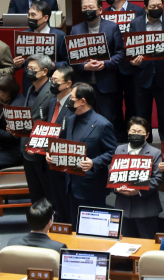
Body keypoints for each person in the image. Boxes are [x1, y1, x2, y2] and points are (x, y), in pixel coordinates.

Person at [48, 83, 117, 229]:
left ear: (82, 101)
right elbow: (65, 144)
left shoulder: (102, 124)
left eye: (72, 98)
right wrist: (52, 155)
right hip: (72, 185)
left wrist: (94, 162)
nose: (69, 101)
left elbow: (112, 152)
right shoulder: (70, 120)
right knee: (75, 228)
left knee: (94, 230)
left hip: (92, 187)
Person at [70, 0, 124, 133]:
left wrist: (105, 63)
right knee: (84, 119)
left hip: (105, 82)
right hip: (84, 83)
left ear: (100, 10)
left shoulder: (112, 27)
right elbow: (71, 57)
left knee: (107, 118)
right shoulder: (76, 29)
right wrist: (84, 67)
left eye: (91, 7)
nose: (87, 10)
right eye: (84, 8)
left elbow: (120, 53)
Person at [129, 0, 164, 142]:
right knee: (142, 115)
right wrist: (133, 61)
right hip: (142, 76)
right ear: (145, 8)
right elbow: (131, 49)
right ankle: (144, 145)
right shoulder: (135, 23)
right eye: (153, 6)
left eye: (159, 5)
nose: (156, 8)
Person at [103, 0, 143, 142]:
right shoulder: (105, 13)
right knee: (114, 104)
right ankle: (118, 137)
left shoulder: (138, 11)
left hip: (132, 66)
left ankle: (131, 135)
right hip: (111, 66)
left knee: (133, 103)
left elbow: (142, 36)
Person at [113, 116, 163, 239]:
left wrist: (139, 190)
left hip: (145, 210)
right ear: (128, 132)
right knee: (124, 245)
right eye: (133, 131)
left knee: (147, 245)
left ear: (147, 135)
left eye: (140, 132)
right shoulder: (119, 149)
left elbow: (157, 178)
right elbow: (113, 174)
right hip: (123, 207)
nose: (136, 134)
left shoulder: (155, 152)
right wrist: (116, 188)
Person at [12, 0, 68, 93]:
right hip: (29, 84)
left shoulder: (59, 36)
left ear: (45, 18)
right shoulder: (24, 35)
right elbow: (21, 62)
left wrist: (54, 65)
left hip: (51, 83)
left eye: (33, 15)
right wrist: (16, 64)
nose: (30, 18)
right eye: (29, 14)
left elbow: (68, 63)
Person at [21, 54, 55, 205]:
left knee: (48, 196)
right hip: (26, 149)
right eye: (27, 68)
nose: (28, 71)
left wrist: (40, 146)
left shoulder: (52, 92)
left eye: (32, 68)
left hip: (42, 153)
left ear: (44, 71)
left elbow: (54, 122)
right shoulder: (30, 89)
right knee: (35, 195)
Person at [46, 65, 75, 223]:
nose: (52, 83)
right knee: (57, 204)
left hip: (66, 163)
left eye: (56, 81)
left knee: (67, 206)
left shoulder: (74, 105)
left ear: (68, 84)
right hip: (51, 160)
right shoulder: (52, 102)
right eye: (51, 79)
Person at [0, 74, 26, 170]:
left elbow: (14, 136)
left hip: (14, 151)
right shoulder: (5, 99)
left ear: (8, 92)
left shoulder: (17, 108)